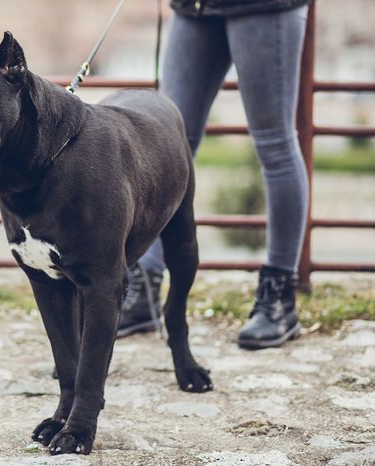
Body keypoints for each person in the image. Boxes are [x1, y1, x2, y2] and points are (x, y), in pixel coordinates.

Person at [118, 0, 313, 349]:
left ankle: (279, 296)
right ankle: (143, 289)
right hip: (194, 8)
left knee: (275, 145)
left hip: (265, 8)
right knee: (166, 143)